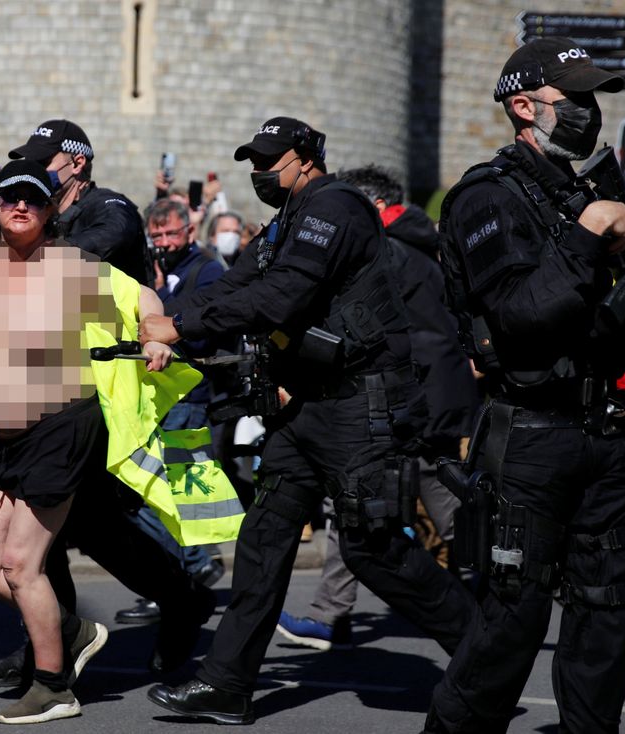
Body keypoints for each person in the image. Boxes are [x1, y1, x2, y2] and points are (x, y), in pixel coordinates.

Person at [142, 117, 475, 725]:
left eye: (271, 158)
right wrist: (159, 320)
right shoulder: (288, 219)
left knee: (372, 548)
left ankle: (484, 652)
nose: (260, 170)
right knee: (264, 537)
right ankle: (226, 683)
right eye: (254, 160)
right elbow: (238, 283)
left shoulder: (335, 206)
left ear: (306, 158)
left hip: (362, 404)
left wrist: (181, 328)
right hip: (312, 406)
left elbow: (280, 298)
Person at [428, 39, 625, 733]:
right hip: (530, 435)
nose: (588, 112)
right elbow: (521, 317)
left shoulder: (586, 192)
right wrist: (590, 233)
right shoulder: (485, 198)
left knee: (609, 610)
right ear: (523, 107)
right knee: (511, 621)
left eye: (593, 99)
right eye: (574, 99)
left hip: (606, 432)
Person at [0, 159, 167, 724]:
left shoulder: (68, 266)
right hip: (7, 429)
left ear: (50, 210)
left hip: (62, 421)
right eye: (9, 199)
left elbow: (142, 297)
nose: (19, 208)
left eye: (32, 200)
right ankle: (71, 630)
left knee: (23, 565)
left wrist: (156, 335)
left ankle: (55, 687)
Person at [277, 164, 478, 650]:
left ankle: (510, 598)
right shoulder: (411, 248)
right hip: (422, 399)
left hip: (414, 403)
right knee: (371, 507)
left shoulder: (391, 252)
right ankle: (331, 615)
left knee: (431, 510)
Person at [113, 197, 227, 626]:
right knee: (166, 489)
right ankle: (183, 574)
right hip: (159, 396)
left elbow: (204, 333)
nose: (163, 241)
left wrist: (165, 313)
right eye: (156, 235)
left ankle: (187, 572)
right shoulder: (158, 274)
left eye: (171, 233)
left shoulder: (208, 271)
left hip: (188, 397)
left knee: (178, 489)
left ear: (190, 232)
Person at [8, 119, 150, 284]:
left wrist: (47, 254)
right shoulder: (44, 212)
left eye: (43, 163)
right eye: (31, 163)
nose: (35, 172)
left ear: (77, 163)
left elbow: (117, 229)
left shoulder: (110, 205)